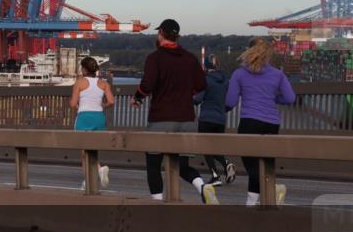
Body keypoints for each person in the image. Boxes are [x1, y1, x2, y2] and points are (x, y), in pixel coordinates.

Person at [132, 19, 218, 204]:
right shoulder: (189, 58)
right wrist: (187, 91)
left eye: (158, 33)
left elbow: (147, 85)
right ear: (176, 36)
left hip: (161, 118)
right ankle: (202, 187)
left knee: (153, 163)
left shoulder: (155, 58)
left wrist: (138, 98)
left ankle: (156, 201)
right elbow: (202, 84)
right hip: (186, 119)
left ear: (161, 33)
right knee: (181, 164)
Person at [226, 38, 296, 207]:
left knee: (251, 165)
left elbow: (230, 101)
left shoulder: (239, 74)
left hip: (250, 122)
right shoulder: (277, 74)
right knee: (266, 163)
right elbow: (290, 98)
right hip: (272, 123)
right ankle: (259, 199)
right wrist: (273, 98)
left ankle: (264, 195)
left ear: (248, 51)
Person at [69, 56, 113, 190]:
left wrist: (79, 106)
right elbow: (111, 101)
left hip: (84, 117)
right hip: (99, 118)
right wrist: (102, 106)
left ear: (84, 69)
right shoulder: (104, 83)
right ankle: (89, 179)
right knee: (92, 150)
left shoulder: (79, 82)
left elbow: (73, 104)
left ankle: (92, 177)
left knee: (84, 153)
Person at [193, 55, 236, 186]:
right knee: (215, 147)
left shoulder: (206, 80)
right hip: (220, 120)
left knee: (205, 147)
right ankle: (226, 164)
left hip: (206, 118)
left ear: (206, 66)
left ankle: (215, 176)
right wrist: (223, 110)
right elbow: (229, 102)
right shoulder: (226, 81)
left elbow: (197, 99)